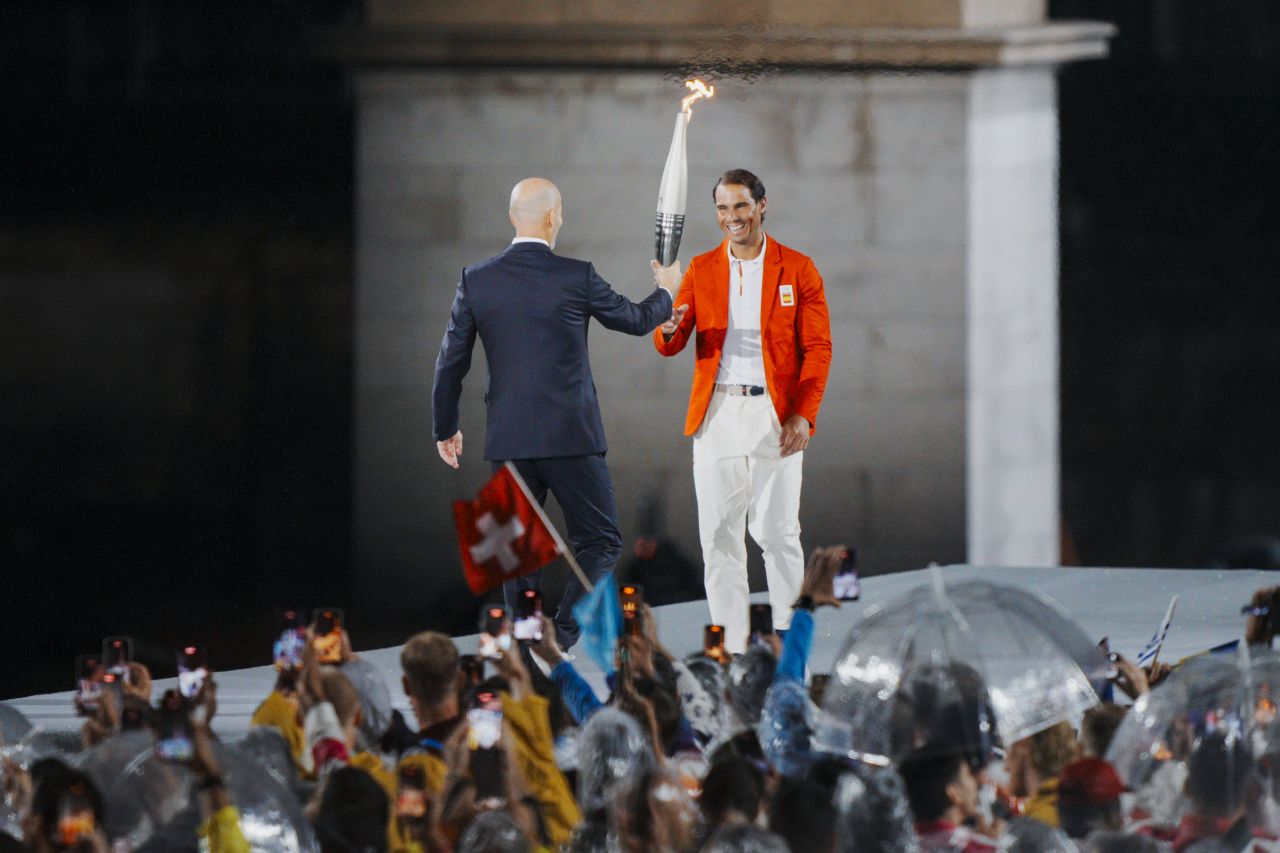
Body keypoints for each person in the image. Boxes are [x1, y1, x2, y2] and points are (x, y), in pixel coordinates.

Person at [433, 177, 678, 649]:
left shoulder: (476, 279)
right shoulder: (577, 276)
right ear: (554, 216)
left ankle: (527, 647)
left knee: (516, 556)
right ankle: (560, 636)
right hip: (572, 439)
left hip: (507, 442)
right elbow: (633, 319)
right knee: (602, 541)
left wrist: (446, 427)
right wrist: (667, 291)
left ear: (511, 218)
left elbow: (450, 361)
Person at [653, 168, 832, 653]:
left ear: (761, 206)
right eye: (723, 208)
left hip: (775, 415)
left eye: (740, 206)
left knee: (777, 532)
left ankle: (791, 641)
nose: (732, 217)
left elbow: (818, 349)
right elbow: (671, 342)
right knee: (718, 537)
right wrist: (666, 309)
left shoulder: (798, 268)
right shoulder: (702, 268)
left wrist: (803, 414)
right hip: (717, 416)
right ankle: (732, 650)